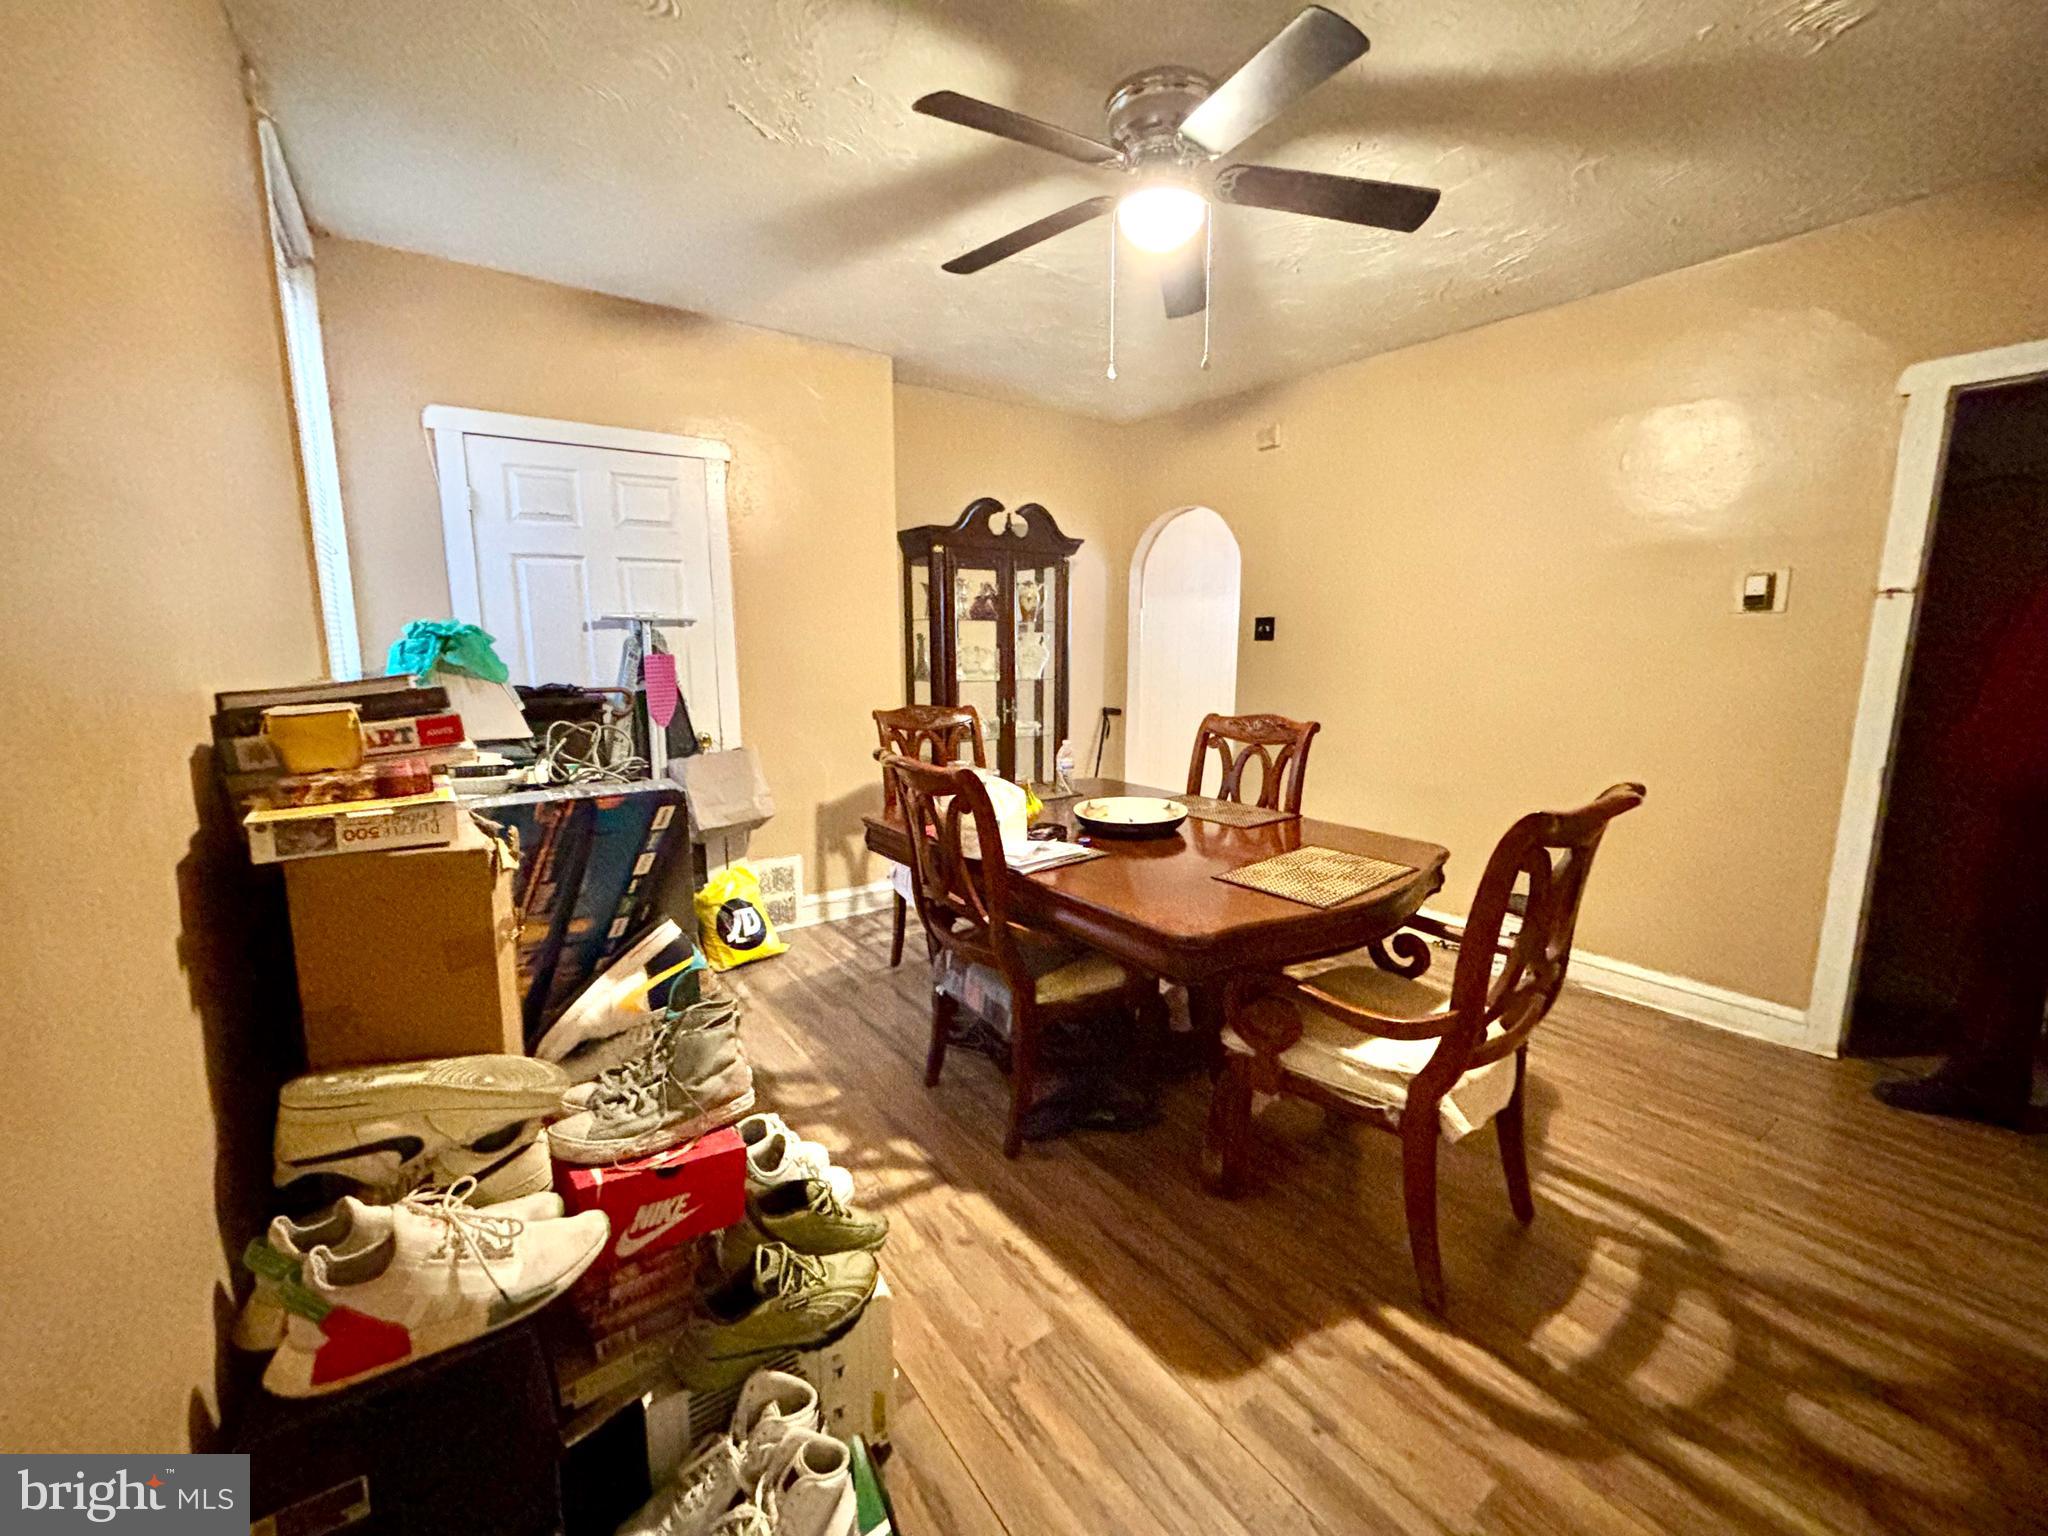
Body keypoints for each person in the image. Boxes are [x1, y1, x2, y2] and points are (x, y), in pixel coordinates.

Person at [1874, 578, 2048, 1127]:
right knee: (2006, 940)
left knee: (2006, 935)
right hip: (2017, 785)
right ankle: (1986, 1075)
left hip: (2025, 790)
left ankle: (1984, 1080)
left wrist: (1979, 758)